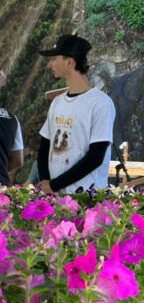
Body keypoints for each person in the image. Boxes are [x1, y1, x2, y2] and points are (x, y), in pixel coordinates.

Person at [37, 34, 115, 194]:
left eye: (53, 59)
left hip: (87, 198)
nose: (49, 65)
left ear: (70, 62)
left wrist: (54, 185)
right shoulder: (57, 102)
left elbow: (95, 157)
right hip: (56, 197)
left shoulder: (100, 103)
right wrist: (46, 183)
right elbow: (44, 146)